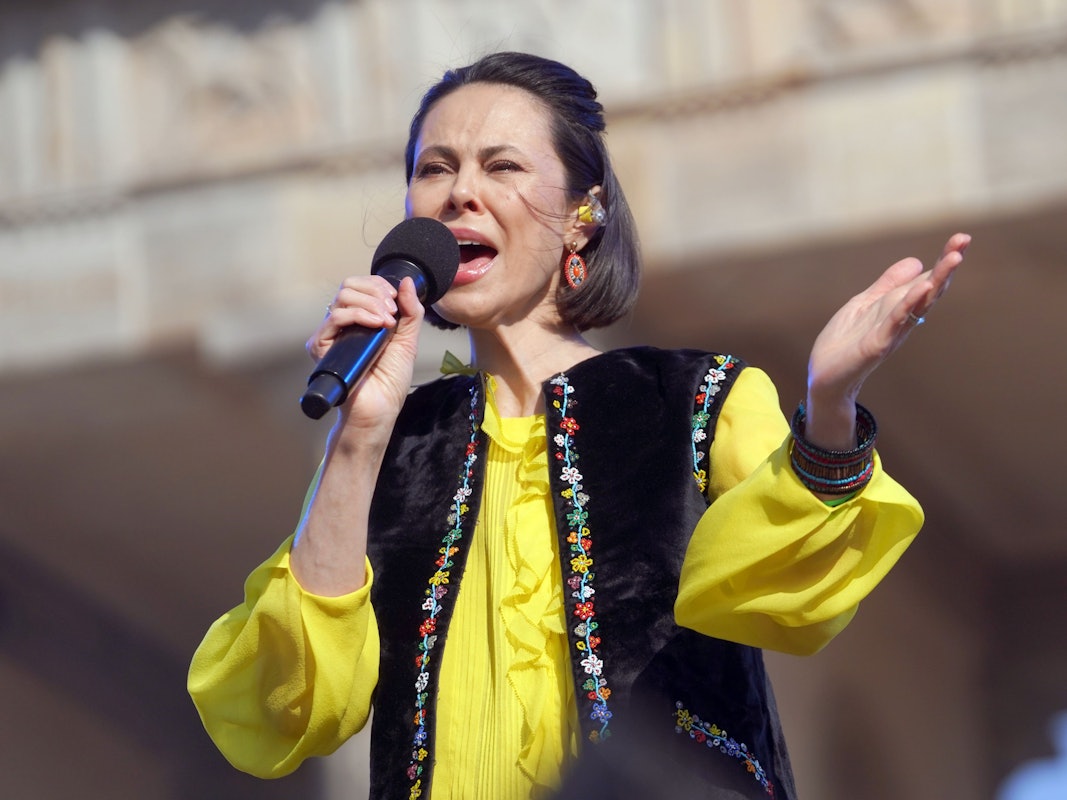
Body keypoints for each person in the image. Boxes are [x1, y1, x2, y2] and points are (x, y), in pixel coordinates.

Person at [188, 51, 969, 800]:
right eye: (434, 168)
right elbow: (283, 707)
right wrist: (356, 440)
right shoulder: (392, 452)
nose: (460, 192)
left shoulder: (693, 401)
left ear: (580, 215)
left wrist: (829, 406)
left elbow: (787, 595)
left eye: (501, 166)